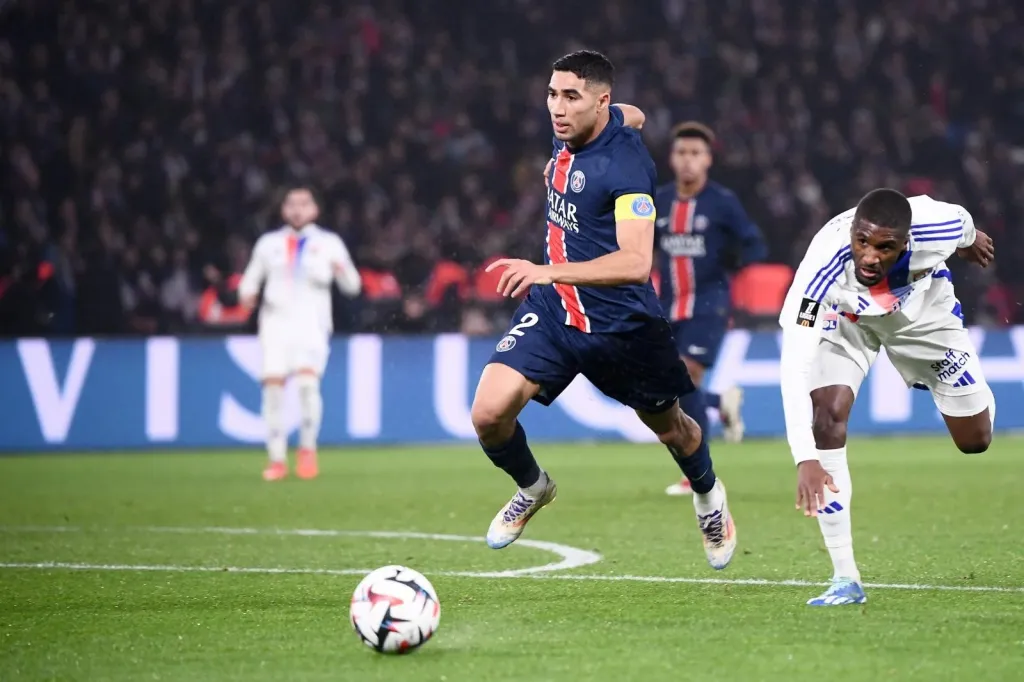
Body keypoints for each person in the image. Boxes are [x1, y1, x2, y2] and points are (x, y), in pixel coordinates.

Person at [473, 50, 736, 570]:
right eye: (552, 94)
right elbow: (633, 115)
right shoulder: (585, 124)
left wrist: (547, 270)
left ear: (599, 100)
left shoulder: (626, 169)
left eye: (571, 96)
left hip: (621, 325)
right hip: (555, 312)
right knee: (488, 414)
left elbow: (637, 263)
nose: (557, 107)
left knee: (674, 430)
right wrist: (551, 279)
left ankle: (709, 497)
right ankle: (534, 487)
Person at [780, 188, 995, 605]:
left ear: (906, 241)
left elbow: (964, 224)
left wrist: (970, 242)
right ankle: (845, 578)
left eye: (885, 247)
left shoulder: (937, 224)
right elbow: (794, 365)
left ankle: (960, 386)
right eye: (862, 241)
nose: (869, 256)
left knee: (975, 440)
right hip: (849, 319)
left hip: (922, 318)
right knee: (826, 416)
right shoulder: (822, 263)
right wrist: (805, 457)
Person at [655, 122, 768, 496]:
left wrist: (734, 259)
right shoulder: (660, 201)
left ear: (708, 160)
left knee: (686, 374)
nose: (688, 160)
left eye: (696, 153)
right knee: (666, 387)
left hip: (709, 304)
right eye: (682, 153)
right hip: (669, 307)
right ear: (672, 159)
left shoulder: (722, 202)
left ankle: (697, 475)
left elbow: (754, 244)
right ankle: (720, 403)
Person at [239, 186, 362, 481]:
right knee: (273, 390)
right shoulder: (268, 244)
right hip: (274, 324)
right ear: (283, 209)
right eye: (292, 203)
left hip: (311, 325)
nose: (297, 209)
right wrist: (247, 293)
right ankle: (277, 459)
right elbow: (249, 280)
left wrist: (340, 269)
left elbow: (353, 286)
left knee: (307, 387)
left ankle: (307, 450)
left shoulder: (329, 243)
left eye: (304, 203)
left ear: (315, 209)